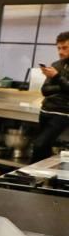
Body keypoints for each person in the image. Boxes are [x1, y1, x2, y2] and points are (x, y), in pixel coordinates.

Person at [34, 31, 69, 162]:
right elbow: (45, 90)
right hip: (45, 110)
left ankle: (28, 178)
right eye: (58, 48)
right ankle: (43, 179)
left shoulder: (56, 71)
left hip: (62, 113)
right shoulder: (56, 65)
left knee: (38, 145)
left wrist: (57, 77)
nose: (60, 51)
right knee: (44, 148)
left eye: (65, 48)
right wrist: (63, 85)